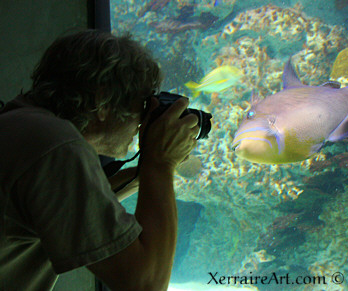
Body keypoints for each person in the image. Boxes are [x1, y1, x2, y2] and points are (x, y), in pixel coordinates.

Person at [0, 30, 199, 290]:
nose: (142, 121)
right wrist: (160, 164)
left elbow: (79, 207)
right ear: (103, 100)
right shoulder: (57, 146)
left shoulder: (24, 126)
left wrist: (145, 172)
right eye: (141, 106)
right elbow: (144, 284)